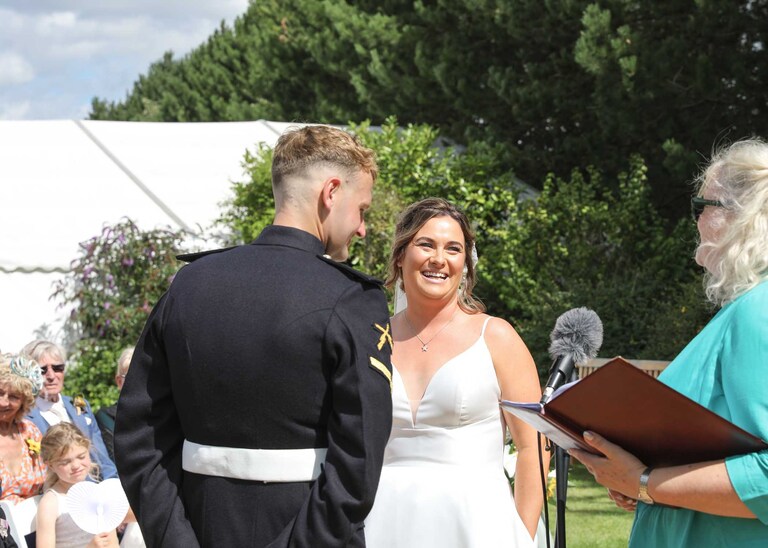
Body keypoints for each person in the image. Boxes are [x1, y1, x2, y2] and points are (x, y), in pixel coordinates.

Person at [114, 124, 394, 547]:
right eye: (363, 210)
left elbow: (140, 436)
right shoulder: (352, 298)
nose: (363, 229)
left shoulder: (190, 285)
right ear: (331, 192)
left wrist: (176, 539)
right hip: (306, 529)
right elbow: (358, 462)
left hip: (199, 528)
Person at [571, 139, 768, 546]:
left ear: (743, 215)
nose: (694, 221)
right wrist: (638, 476)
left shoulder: (757, 311)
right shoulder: (742, 309)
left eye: (701, 207)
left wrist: (645, 482)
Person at [364, 198, 547, 547]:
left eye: (453, 248)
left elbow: (533, 447)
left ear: (465, 262)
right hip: (382, 522)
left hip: (476, 525)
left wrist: (522, 536)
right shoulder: (373, 338)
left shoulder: (496, 337)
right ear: (401, 255)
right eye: (425, 244)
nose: (439, 259)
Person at [22, 340, 117, 481]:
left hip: (95, 488)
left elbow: (102, 458)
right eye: (42, 370)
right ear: (29, 374)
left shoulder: (79, 405)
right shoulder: (25, 416)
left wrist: (113, 484)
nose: (51, 376)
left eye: (57, 368)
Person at [35, 423, 120, 548]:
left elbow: (113, 542)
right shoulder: (51, 503)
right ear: (51, 465)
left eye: (81, 457)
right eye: (65, 462)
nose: (75, 465)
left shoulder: (96, 492)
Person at [0, 354, 46, 503]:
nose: (3, 402)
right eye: (0, 393)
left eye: (14, 396)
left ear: (24, 402)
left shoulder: (30, 431)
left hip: (30, 521)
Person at [95, 347, 133, 463]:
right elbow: (116, 460)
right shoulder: (107, 416)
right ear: (119, 382)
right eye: (130, 376)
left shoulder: (162, 411)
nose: (138, 381)